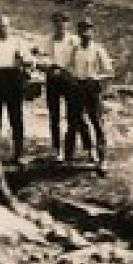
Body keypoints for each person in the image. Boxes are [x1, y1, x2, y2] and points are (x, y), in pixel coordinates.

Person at [66, 17, 114, 173]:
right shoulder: (75, 49)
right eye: (81, 29)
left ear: (92, 32)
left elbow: (109, 73)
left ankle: (103, 159)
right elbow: (69, 68)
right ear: (78, 32)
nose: (85, 33)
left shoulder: (98, 49)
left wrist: (96, 78)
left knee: (97, 123)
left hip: (92, 88)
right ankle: (89, 150)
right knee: (78, 121)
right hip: (78, 88)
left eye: (88, 29)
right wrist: (72, 78)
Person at [0, 14, 33, 164]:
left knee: (16, 118)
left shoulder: (17, 42)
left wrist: (23, 61)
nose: (2, 29)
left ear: (9, 27)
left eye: (5, 26)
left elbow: (30, 61)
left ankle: (19, 153)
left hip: (13, 79)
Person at [42, 10, 82, 160]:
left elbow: (79, 60)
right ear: (53, 24)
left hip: (69, 80)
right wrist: (48, 69)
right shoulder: (48, 41)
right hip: (53, 79)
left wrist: (69, 72)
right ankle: (56, 149)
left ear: (67, 23)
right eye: (57, 22)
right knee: (54, 116)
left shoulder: (74, 40)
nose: (60, 25)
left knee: (73, 116)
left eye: (63, 21)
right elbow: (42, 59)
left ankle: (70, 150)